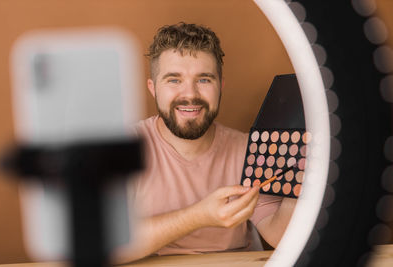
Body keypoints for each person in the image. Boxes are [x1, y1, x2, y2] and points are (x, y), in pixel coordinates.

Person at [113, 22, 297, 263]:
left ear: (220, 86)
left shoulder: (250, 151)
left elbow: (280, 235)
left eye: (204, 80)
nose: (189, 94)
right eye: (174, 80)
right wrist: (199, 216)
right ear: (153, 88)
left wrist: (300, 181)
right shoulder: (123, 147)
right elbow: (108, 246)